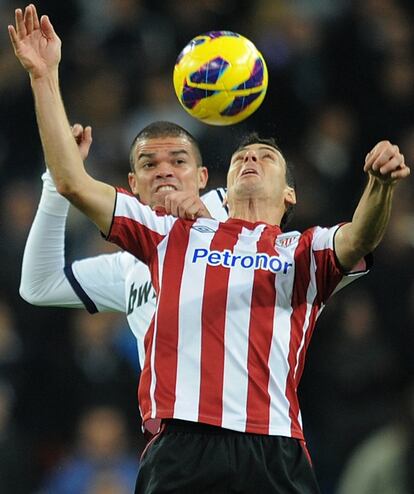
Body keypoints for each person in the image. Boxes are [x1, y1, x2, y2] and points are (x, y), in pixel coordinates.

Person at [9, 5, 410, 493]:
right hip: (183, 444)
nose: (251, 158)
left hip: (274, 445)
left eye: (267, 157)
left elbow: (360, 237)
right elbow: (71, 182)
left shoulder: (301, 251)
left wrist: (379, 187)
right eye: (242, 155)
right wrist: (44, 76)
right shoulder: (168, 235)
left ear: (290, 195)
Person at [19, 120, 228, 372]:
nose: (163, 171)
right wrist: (56, 180)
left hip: (245, 406)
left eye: (178, 161)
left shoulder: (230, 209)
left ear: (202, 176)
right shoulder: (130, 266)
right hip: (165, 410)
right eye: (149, 164)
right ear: (133, 183)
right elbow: (39, 286)